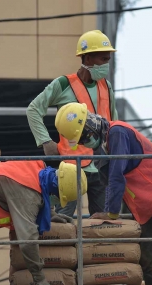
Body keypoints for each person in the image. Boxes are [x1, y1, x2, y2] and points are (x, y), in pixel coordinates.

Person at [55, 103, 152, 285]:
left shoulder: (118, 132)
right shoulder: (101, 148)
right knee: (148, 258)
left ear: (91, 125)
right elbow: (106, 181)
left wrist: (111, 213)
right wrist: (105, 211)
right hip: (145, 204)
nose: (84, 143)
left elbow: (117, 174)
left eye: (84, 137)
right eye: (81, 141)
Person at [27, 29, 118, 217]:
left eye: (108, 59)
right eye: (103, 59)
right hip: (70, 166)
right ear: (87, 58)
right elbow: (33, 109)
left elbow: (114, 122)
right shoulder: (63, 84)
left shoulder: (106, 86)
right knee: (64, 220)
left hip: (101, 165)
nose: (106, 65)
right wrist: (45, 141)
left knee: (101, 223)